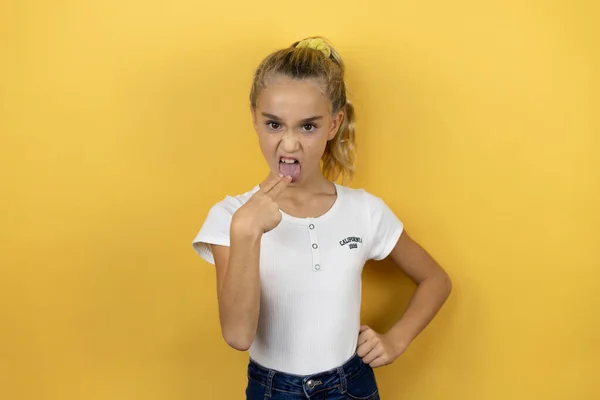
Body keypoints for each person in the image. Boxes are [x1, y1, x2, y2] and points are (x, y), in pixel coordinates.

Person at [192, 37, 452, 400]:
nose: (289, 144)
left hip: (352, 387)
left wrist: (396, 339)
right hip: (273, 391)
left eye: (308, 126)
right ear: (254, 118)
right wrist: (246, 231)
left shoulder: (364, 210)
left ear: (333, 124)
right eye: (274, 124)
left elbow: (435, 280)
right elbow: (237, 336)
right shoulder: (230, 217)